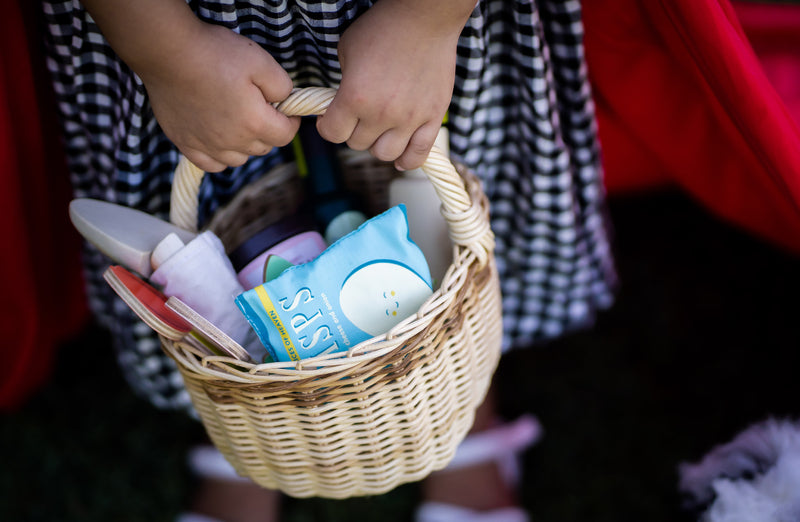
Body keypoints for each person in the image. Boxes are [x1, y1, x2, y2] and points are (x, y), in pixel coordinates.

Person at [41, 0, 617, 520]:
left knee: (433, 193)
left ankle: (467, 415)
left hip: (416, 27)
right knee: (215, 192)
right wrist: (164, 53)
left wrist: (426, 21)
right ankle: (246, 441)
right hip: (180, 37)